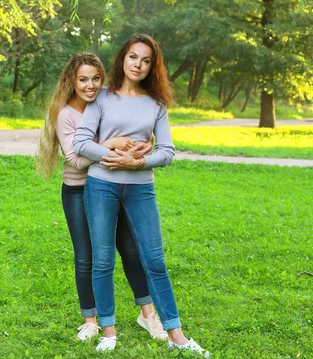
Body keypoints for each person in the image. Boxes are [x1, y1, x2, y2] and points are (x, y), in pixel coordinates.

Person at [73, 35, 210, 357]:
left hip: (141, 189)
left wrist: (139, 161)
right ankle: (108, 331)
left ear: (152, 66)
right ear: (123, 58)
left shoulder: (157, 104)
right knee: (103, 261)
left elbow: (167, 151)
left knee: (155, 261)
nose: (138, 64)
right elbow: (81, 142)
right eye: (133, 57)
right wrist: (111, 153)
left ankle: (176, 334)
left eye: (146, 60)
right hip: (101, 185)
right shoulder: (102, 98)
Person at [37, 52, 167, 343]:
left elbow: (136, 136)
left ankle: (148, 315)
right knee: (87, 256)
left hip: (112, 184)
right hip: (78, 189)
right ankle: (90, 320)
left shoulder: (109, 101)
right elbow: (76, 160)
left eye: (96, 78)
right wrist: (108, 145)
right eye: (83, 79)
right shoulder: (66, 114)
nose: (90, 85)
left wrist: (136, 149)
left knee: (130, 250)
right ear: (72, 80)